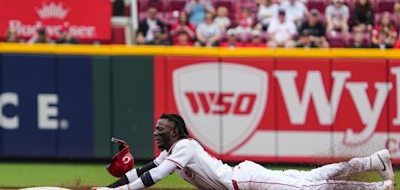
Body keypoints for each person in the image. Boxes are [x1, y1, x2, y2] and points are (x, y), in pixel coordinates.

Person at [94, 113, 395, 190]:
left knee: (312, 185)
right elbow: (143, 171)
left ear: (174, 131)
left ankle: (372, 170)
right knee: (315, 180)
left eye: (161, 129)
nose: (156, 132)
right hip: (247, 180)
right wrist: (109, 187)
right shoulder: (174, 149)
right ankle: (374, 168)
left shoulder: (184, 147)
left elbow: (155, 177)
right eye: (156, 128)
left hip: (248, 181)